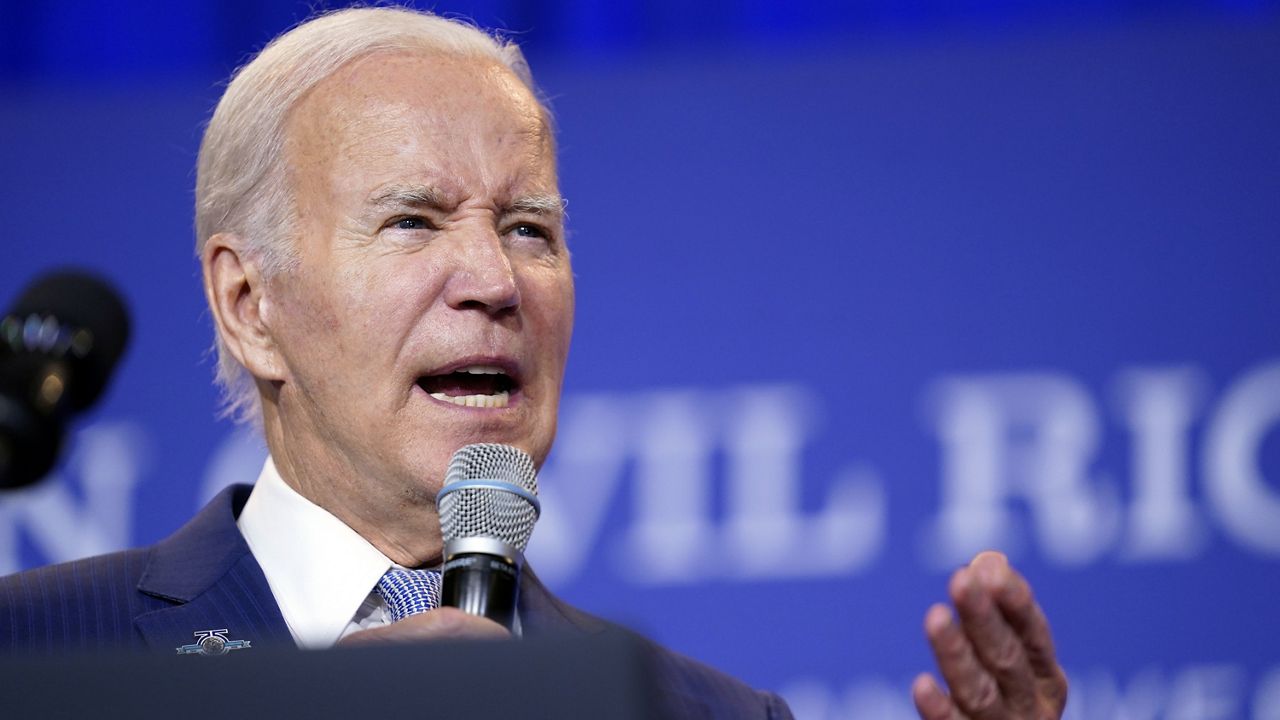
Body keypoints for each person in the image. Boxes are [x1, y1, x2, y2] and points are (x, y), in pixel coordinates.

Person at [0, 7, 1067, 719]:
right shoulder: (35, 655)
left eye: (528, 229)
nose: (494, 281)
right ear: (249, 305)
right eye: (414, 222)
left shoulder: (698, 716)